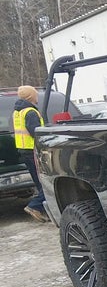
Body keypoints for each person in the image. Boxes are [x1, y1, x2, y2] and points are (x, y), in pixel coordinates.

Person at [12, 85, 48, 222]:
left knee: (39, 182)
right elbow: (36, 132)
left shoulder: (18, 112)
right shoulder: (30, 112)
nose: (37, 96)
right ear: (31, 96)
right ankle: (35, 206)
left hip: (24, 151)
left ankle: (43, 209)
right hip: (33, 150)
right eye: (35, 94)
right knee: (45, 182)